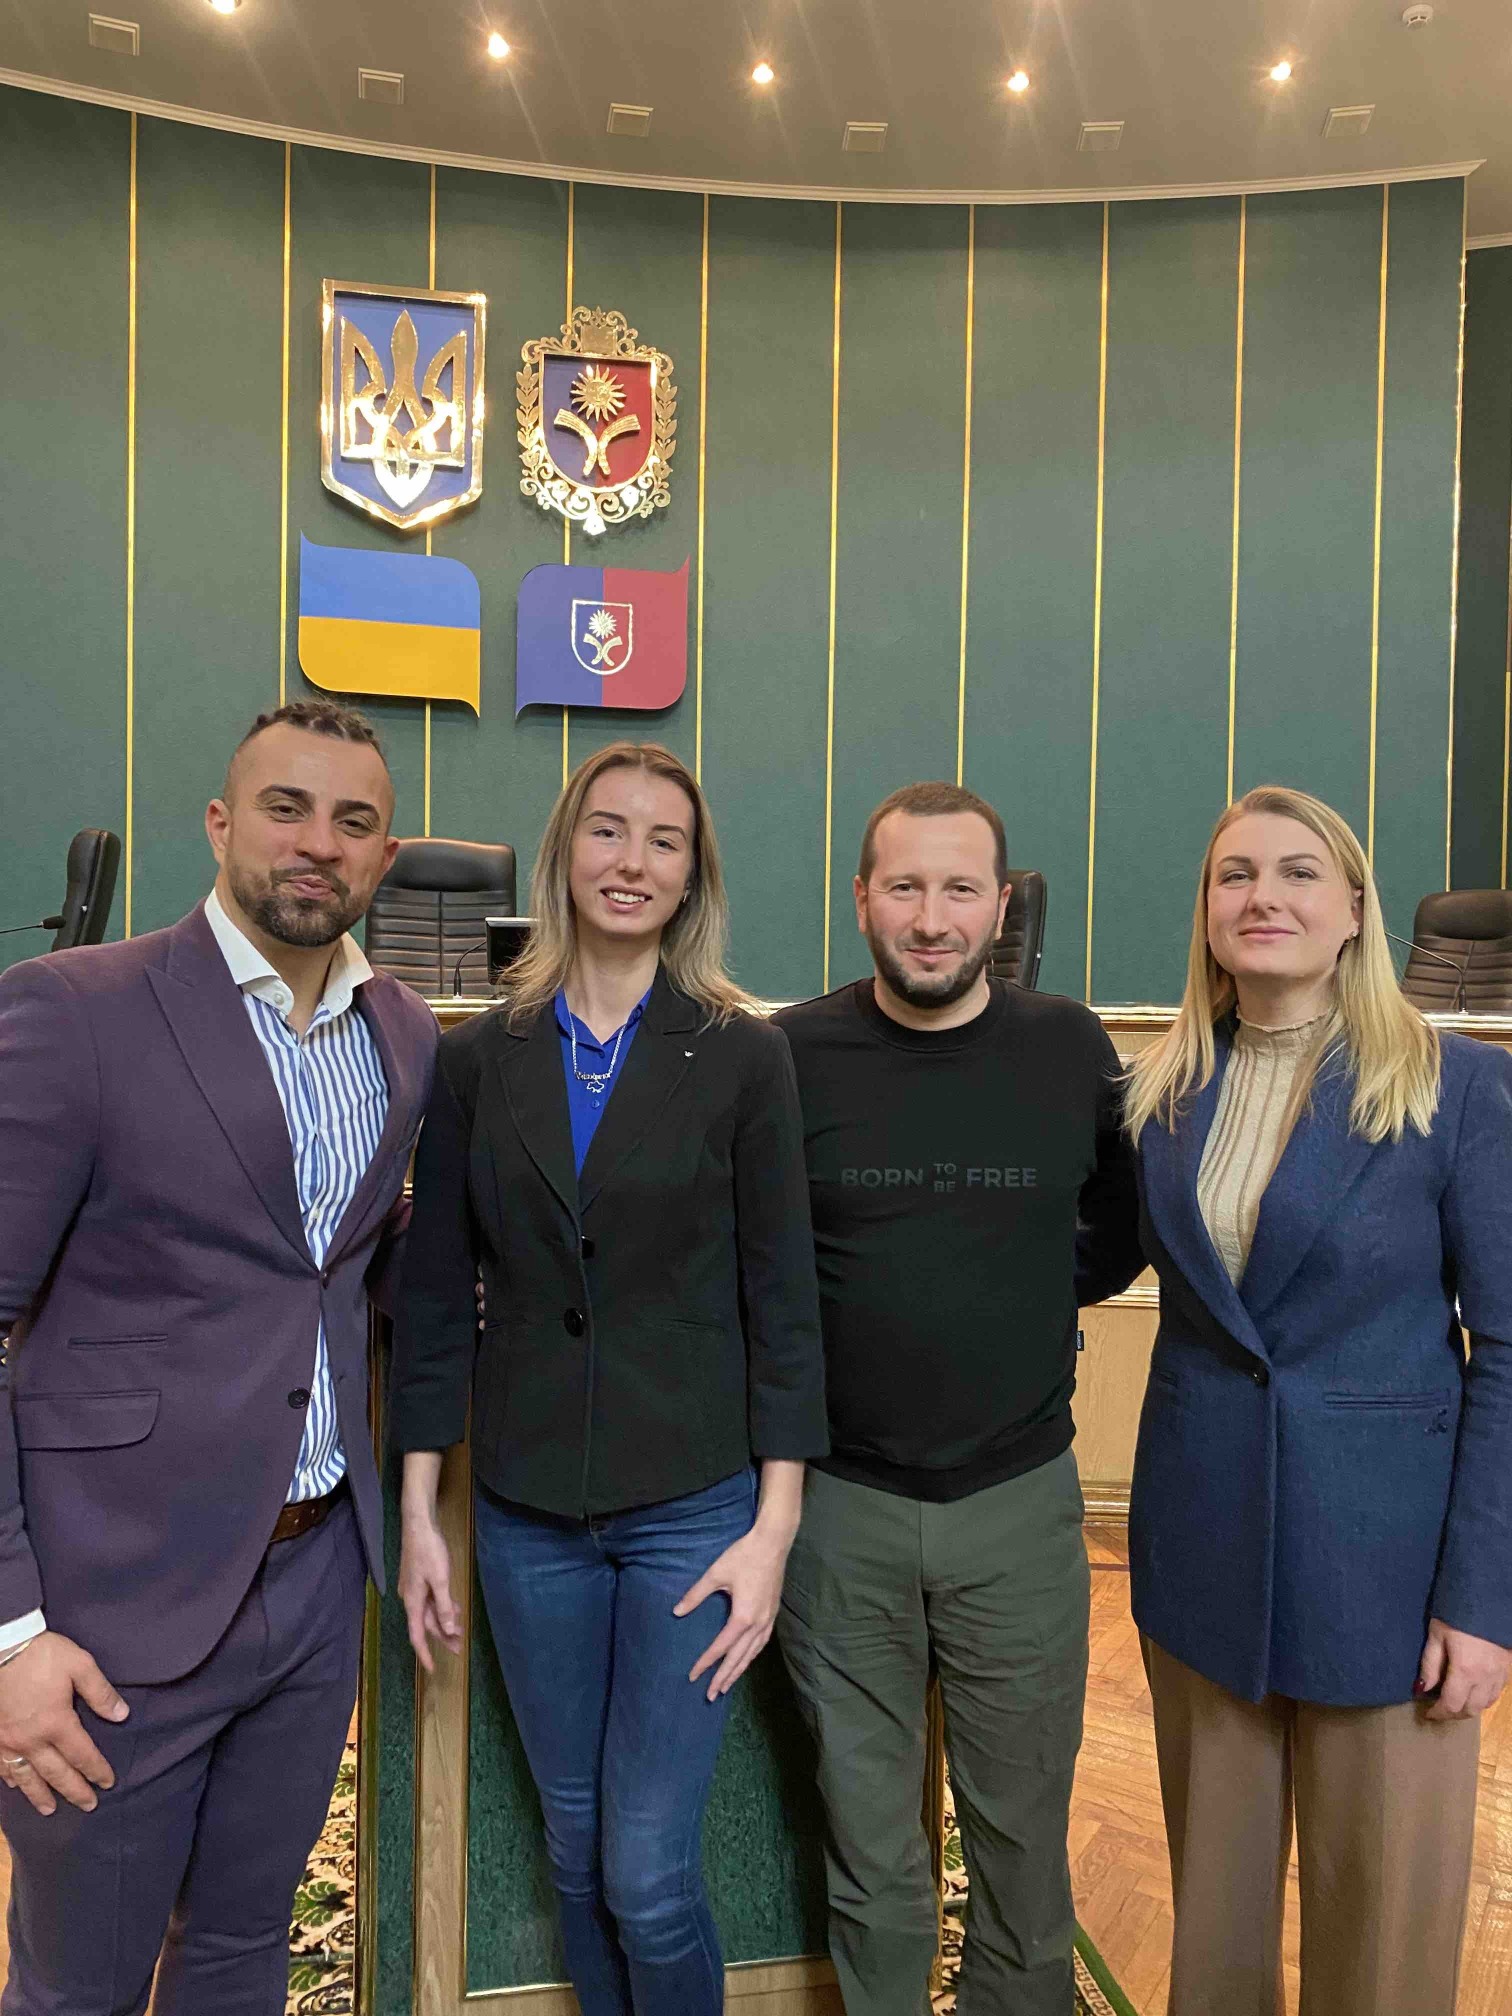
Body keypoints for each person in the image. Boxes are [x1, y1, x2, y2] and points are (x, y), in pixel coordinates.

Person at [0, 700, 438, 2015]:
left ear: (386, 854)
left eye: (353, 822)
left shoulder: (403, 1034)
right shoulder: (75, 1011)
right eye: (285, 809)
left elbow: (336, 1268)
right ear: (219, 823)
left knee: (244, 1949)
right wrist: (13, 1632)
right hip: (109, 1604)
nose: (317, 844)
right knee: (80, 1986)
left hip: (313, 1582)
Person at [390, 740, 828, 2016]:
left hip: (693, 1508)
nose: (632, 861)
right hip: (528, 1515)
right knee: (576, 1855)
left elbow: (783, 1302)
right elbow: (434, 1295)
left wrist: (774, 1530)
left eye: (664, 840)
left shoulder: (744, 1057)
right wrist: (420, 1510)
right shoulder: (479, 1059)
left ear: (693, 876)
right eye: (608, 830)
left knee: (645, 1870)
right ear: (563, 854)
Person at [1125, 783, 1512, 2016]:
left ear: (1353, 909)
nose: (1264, 896)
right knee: (1214, 1948)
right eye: (1235, 874)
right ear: (1206, 910)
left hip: (1389, 1588)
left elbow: (1508, 1350)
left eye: (1299, 872)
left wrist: (1482, 1600)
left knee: (1384, 1949)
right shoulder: (1160, 1091)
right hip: (1203, 1566)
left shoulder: (1454, 1088)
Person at [773, 781, 1143, 2016]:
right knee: (870, 1849)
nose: (932, 918)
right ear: (862, 899)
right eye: (906, 887)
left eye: (960, 889)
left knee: (1024, 1852)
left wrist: (1019, 1289)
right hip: (838, 1509)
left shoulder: (1070, 1048)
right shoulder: (789, 1056)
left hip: (1018, 1506)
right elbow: (752, 1258)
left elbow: (1120, 1231)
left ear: (1001, 903)